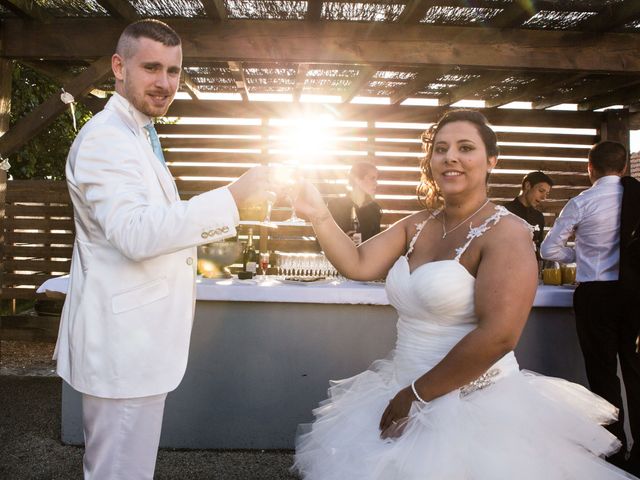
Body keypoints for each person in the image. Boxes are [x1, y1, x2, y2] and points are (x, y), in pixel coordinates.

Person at [291, 110, 634, 479]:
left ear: (491, 161)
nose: (450, 157)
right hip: (398, 383)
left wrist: (417, 394)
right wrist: (319, 215)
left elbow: (499, 335)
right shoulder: (416, 225)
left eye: (465, 148)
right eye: (441, 149)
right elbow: (358, 263)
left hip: (471, 404)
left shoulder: (506, 233)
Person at [54, 20, 275, 479]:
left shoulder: (139, 135)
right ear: (119, 66)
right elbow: (135, 234)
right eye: (151, 67)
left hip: (138, 343)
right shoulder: (105, 139)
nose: (164, 83)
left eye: (173, 71)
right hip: (122, 347)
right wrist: (233, 198)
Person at [541, 141, 640, 475]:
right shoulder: (637, 198)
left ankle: (614, 452)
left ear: (590, 168)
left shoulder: (581, 202)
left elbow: (549, 248)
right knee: (636, 371)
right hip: (636, 294)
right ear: (624, 168)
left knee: (602, 375)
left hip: (595, 295)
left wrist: (579, 255)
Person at [327, 162, 382, 243]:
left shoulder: (375, 209)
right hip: (341, 254)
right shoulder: (334, 206)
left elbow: (377, 242)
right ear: (357, 179)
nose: (376, 183)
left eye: (376, 179)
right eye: (372, 178)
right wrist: (341, 241)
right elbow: (321, 240)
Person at [504, 170, 553, 254]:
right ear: (528, 185)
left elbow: (539, 247)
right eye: (541, 191)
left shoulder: (539, 217)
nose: (544, 197)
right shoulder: (504, 212)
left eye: (547, 194)